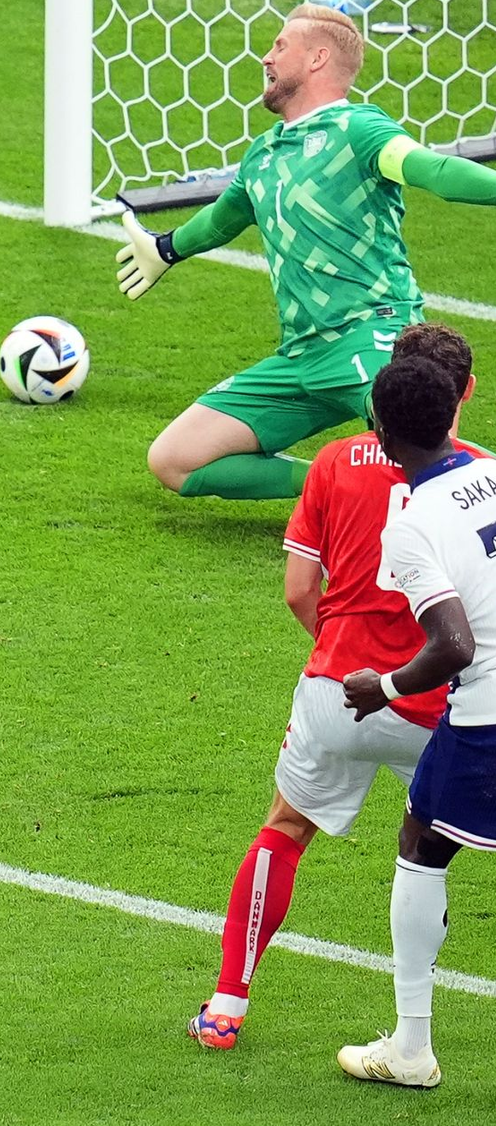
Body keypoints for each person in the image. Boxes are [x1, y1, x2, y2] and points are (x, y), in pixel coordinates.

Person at [188, 325, 482, 1050]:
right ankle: (413, 1023)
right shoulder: (483, 477)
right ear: (464, 393)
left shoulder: (332, 461)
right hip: (433, 702)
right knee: (428, 853)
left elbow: (297, 589)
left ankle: (227, 1002)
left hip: (339, 691)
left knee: (284, 829)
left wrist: (342, 651)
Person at [114, 2, 496, 502]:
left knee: (422, 446)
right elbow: (223, 218)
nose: (266, 57)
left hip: (372, 333)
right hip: (301, 355)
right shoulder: (264, 153)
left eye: (280, 46)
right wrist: (166, 249)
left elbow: (437, 172)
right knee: (174, 460)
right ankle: (336, 488)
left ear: (317, 59)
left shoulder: (359, 130)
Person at [335, 358, 496, 1087]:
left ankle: (411, 1048)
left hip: (485, 719)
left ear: (383, 435)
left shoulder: (413, 522)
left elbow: (455, 644)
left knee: (422, 843)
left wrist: (386, 686)